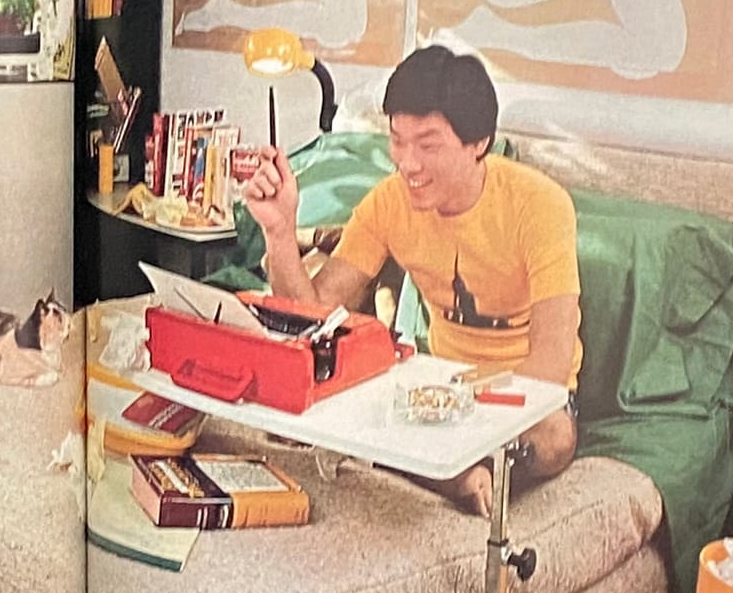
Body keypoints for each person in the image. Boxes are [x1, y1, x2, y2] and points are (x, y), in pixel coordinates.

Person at [241, 45, 582, 514]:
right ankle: (450, 470)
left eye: (428, 144)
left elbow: (551, 362)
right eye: (397, 140)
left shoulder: (540, 206)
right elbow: (314, 313)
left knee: (556, 437)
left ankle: (445, 470)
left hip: (522, 404)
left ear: (478, 142)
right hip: (435, 389)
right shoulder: (389, 202)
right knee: (350, 390)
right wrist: (279, 232)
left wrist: (467, 422)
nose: (407, 162)